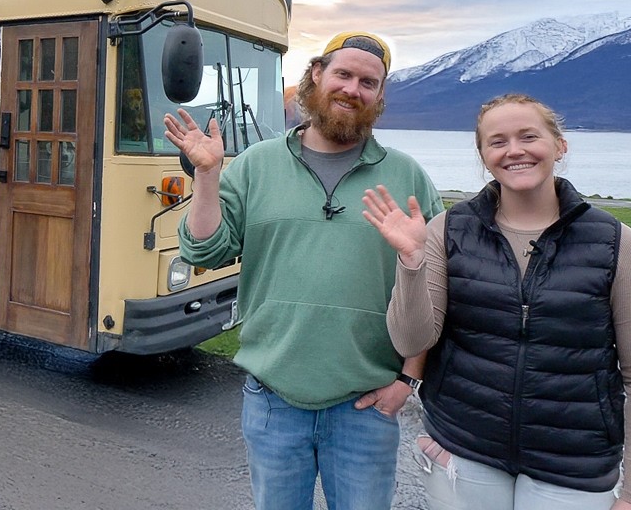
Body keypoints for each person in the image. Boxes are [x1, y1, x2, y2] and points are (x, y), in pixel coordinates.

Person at [165, 31, 443, 509]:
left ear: (379, 96)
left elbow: (435, 290)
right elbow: (205, 250)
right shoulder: (256, 164)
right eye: (343, 74)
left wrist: (407, 381)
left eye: (368, 82)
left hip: (366, 404)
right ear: (317, 74)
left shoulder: (407, 176)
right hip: (273, 399)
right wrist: (207, 176)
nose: (353, 89)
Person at [361, 93, 631, 509]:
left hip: (573, 464)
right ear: (483, 155)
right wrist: (413, 262)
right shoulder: (448, 230)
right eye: (498, 141)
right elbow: (411, 338)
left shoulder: (616, 244)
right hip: (464, 450)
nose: (514, 150)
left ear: (560, 145)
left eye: (529, 136)